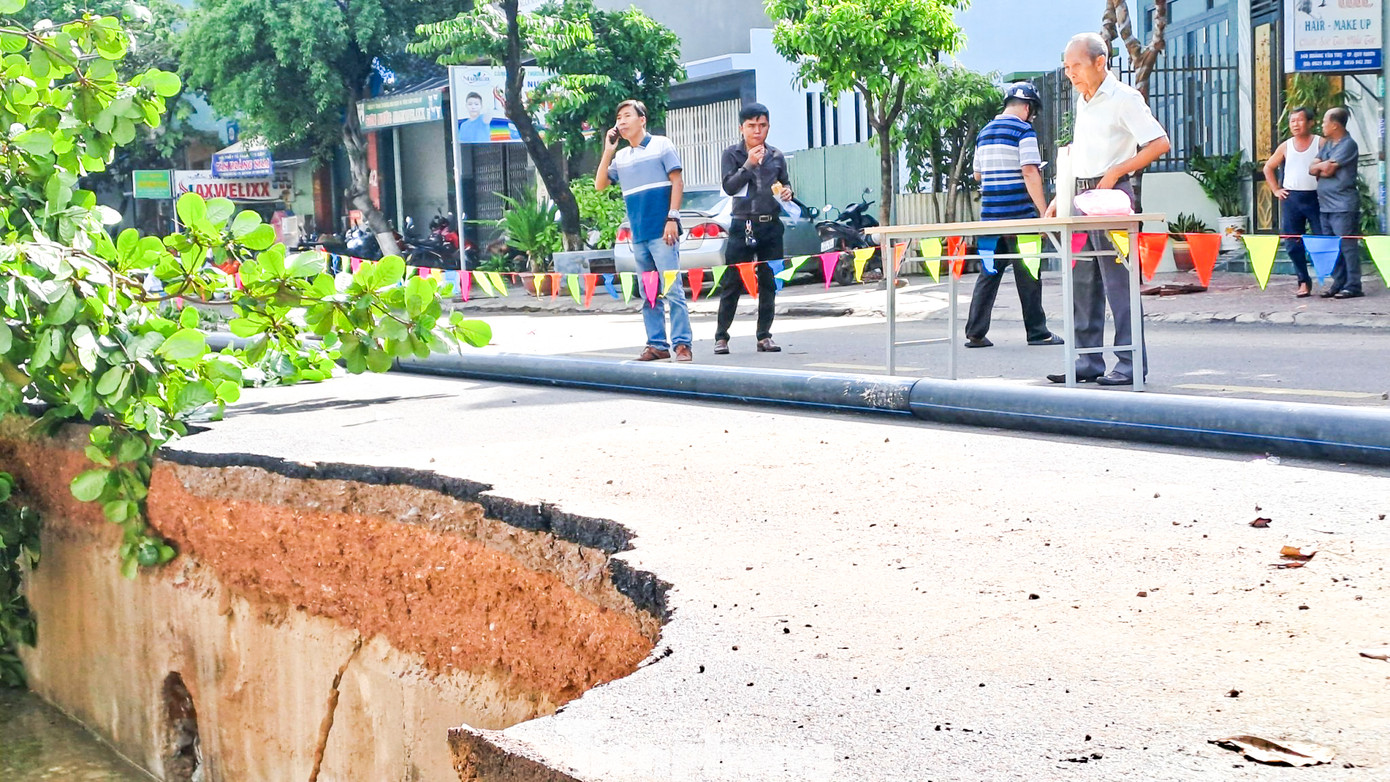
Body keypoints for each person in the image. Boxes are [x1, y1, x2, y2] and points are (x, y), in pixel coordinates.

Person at [1045, 32, 1170, 386]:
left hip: (1112, 196)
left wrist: (1117, 171)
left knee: (1119, 283)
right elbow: (1081, 150)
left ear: (1100, 62)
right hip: (1081, 195)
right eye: (1066, 67)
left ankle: (1130, 364)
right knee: (1083, 282)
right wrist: (1061, 196)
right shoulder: (1083, 99)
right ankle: (1087, 360)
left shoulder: (1124, 98)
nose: (1070, 73)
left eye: (1076, 65)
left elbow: (1159, 143)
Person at [964, 82, 1062, 349]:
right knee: (1029, 275)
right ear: (1028, 108)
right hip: (1021, 217)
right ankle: (1037, 333)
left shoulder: (984, 132)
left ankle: (975, 333)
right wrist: (1043, 214)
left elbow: (977, 175)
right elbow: (1029, 171)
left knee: (988, 274)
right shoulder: (1023, 130)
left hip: (990, 218)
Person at [595, 99, 693, 361]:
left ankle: (682, 344)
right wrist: (608, 150)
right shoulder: (621, 157)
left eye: (627, 116)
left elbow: (677, 182)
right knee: (649, 293)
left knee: (672, 289)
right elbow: (600, 184)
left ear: (642, 120)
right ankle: (657, 344)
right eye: (618, 118)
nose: (622, 121)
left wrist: (672, 218)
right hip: (639, 235)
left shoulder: (662, 145)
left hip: (663, 232)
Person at [714, 103, 793, 355]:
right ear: (742, 128)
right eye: (751, 126)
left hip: (771, 224)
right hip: (742, 223)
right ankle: (721, 337)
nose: (757, 131)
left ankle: (764, 336)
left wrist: (787, 191)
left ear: (768, 126)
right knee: (732, 281)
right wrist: (749, 163)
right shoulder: (732, 154)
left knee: (769, 282)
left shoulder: (776, 155)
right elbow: (729, 186)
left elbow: (785, 183)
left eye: (762, 125)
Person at [1262, 107, 1322, 298]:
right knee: (1292, 242)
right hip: (1292, 199)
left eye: (1300, 120)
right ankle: (1303, 281)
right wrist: (1276, 190)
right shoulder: (1286, 146)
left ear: (1310, 123)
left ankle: (1331, 280)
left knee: (1322, 240)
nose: (1296, 124)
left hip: (1316, 198)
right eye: (1292, 121)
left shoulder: (1320, 142)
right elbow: (1268, 168)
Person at [1311, 107, 1364, 299]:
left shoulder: (1348, 144)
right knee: (1332, 247)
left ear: (1335, 125)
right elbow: (1312, 168)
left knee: (1347, 247)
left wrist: (1321, 167)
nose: (1322, 125)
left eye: (1325, 122)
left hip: (1343, 205)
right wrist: (1320, 166)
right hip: (1325, 205)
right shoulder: (1328, 145)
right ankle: (1338, 282)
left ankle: (1353, 285)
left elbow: (1328, 171)